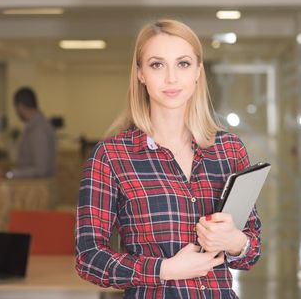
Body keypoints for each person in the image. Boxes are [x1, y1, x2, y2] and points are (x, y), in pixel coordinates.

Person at [75, 19, 261, 298]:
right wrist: (165, 269)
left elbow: (251, 251)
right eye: (157, 65)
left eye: (183, 64)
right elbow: (88, 258)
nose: (171, 78)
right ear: (140, 74)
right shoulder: (111, 157)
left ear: (198, 71)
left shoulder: (229, 149)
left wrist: (235, 241)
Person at [4, 87, 56, 179]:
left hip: (39, 190)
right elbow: (26, 164)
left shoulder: (40, 129)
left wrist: (11, 174)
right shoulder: (31, 128)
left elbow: (41, 169)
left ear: (20, 106)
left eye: (15, 107)